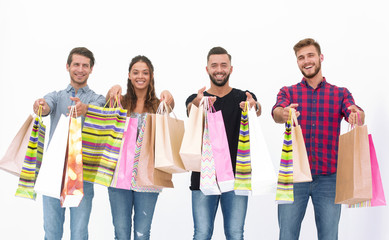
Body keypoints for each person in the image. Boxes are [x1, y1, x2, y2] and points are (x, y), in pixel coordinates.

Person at [272, 38, 365, 240]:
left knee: (329, 236)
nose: (306, 61)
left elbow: (357, 113)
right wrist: (284, 113)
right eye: (301, 58)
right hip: (293, 176)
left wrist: (355, 115)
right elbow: (277, 111)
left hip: (329, 178)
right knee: (286, 235)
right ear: (297, 62)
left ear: (321, 57)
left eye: (310, 55)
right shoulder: (288, 92)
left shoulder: (340, 93)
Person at [185, 46, 262, 240]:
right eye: (214, 65)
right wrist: (197, 102)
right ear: (207, 69)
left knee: (235, 234)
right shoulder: (198, 99)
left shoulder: (243, 97)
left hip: (237, 177)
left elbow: (257, 108)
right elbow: (189, 109)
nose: (219, 69)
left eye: (223, 65)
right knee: (201, 234)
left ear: (231, 68)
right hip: (203, 177)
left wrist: (254, 106)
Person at [33, 47, 106, 239]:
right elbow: (47, 106)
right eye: (76, 64)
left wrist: (85, 109)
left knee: (79, 234)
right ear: (68, 66)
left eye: (85, 65)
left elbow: (100, 111)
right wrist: (41, 105)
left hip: (82, 175)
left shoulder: (97, 99)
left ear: (91, 69)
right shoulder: (56, 96)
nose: (80, 69)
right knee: (52, 233)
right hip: (53, 173)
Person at [106, 55, 174, 240]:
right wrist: (111, 90)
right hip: (118, 177)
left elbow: (170, 105)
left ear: (151, 76)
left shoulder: (157, 105)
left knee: (142, 234)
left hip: (148, 178)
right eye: (135, 72)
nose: (140, 76)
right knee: (121, 233)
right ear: (129, 75)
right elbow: (107, 109)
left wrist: (168, 93)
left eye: (145, 72)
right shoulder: (121, 102)